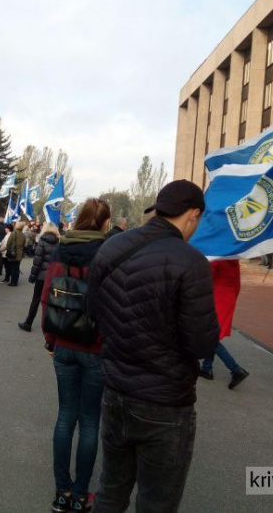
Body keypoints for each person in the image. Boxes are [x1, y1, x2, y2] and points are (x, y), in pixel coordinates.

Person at [87, 180, 220, 512]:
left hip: (116, 389)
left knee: (111, 489)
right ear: (193, 215)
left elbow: (94, 311)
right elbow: (202, 342)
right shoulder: (191, 262)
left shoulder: (111, 246)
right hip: (164, 402)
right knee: (157, 501)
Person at [40, 198, 111, 513]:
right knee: (90, 421)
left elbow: (46, 297)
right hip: (95, 348)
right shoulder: (107, 255)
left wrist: (51, 339)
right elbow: (112, 305)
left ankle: (61, 493)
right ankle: (82, 495)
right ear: (105, 223)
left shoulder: (60, 250)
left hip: (64, 345)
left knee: (65, 416)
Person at [199, 259, 250, 389]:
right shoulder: (233, 258)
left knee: (210, 335)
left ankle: (236, 369)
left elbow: (206, 278)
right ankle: (207, 368)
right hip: (228, 297)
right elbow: (237, 283)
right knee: (213, 334)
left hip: (216, 296)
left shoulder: (218, 256)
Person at [18, 222, 59, 332]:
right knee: (51, 301)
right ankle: (51, 325)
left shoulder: (42, 242)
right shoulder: (58, 242)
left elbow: (37, 262)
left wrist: (32, 277)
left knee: (36, 299)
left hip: (41, 276)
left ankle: (28, 323)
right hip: (53, 276)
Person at [4, 221, 26, 286]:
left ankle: (12, 282)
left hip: (13, 253)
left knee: (12, 268)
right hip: (20, 254)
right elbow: (24, 244)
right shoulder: (23, 235)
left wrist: (8, 250)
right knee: (17, 268)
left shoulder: (13, 233)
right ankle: (15, 281)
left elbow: (8, 243)